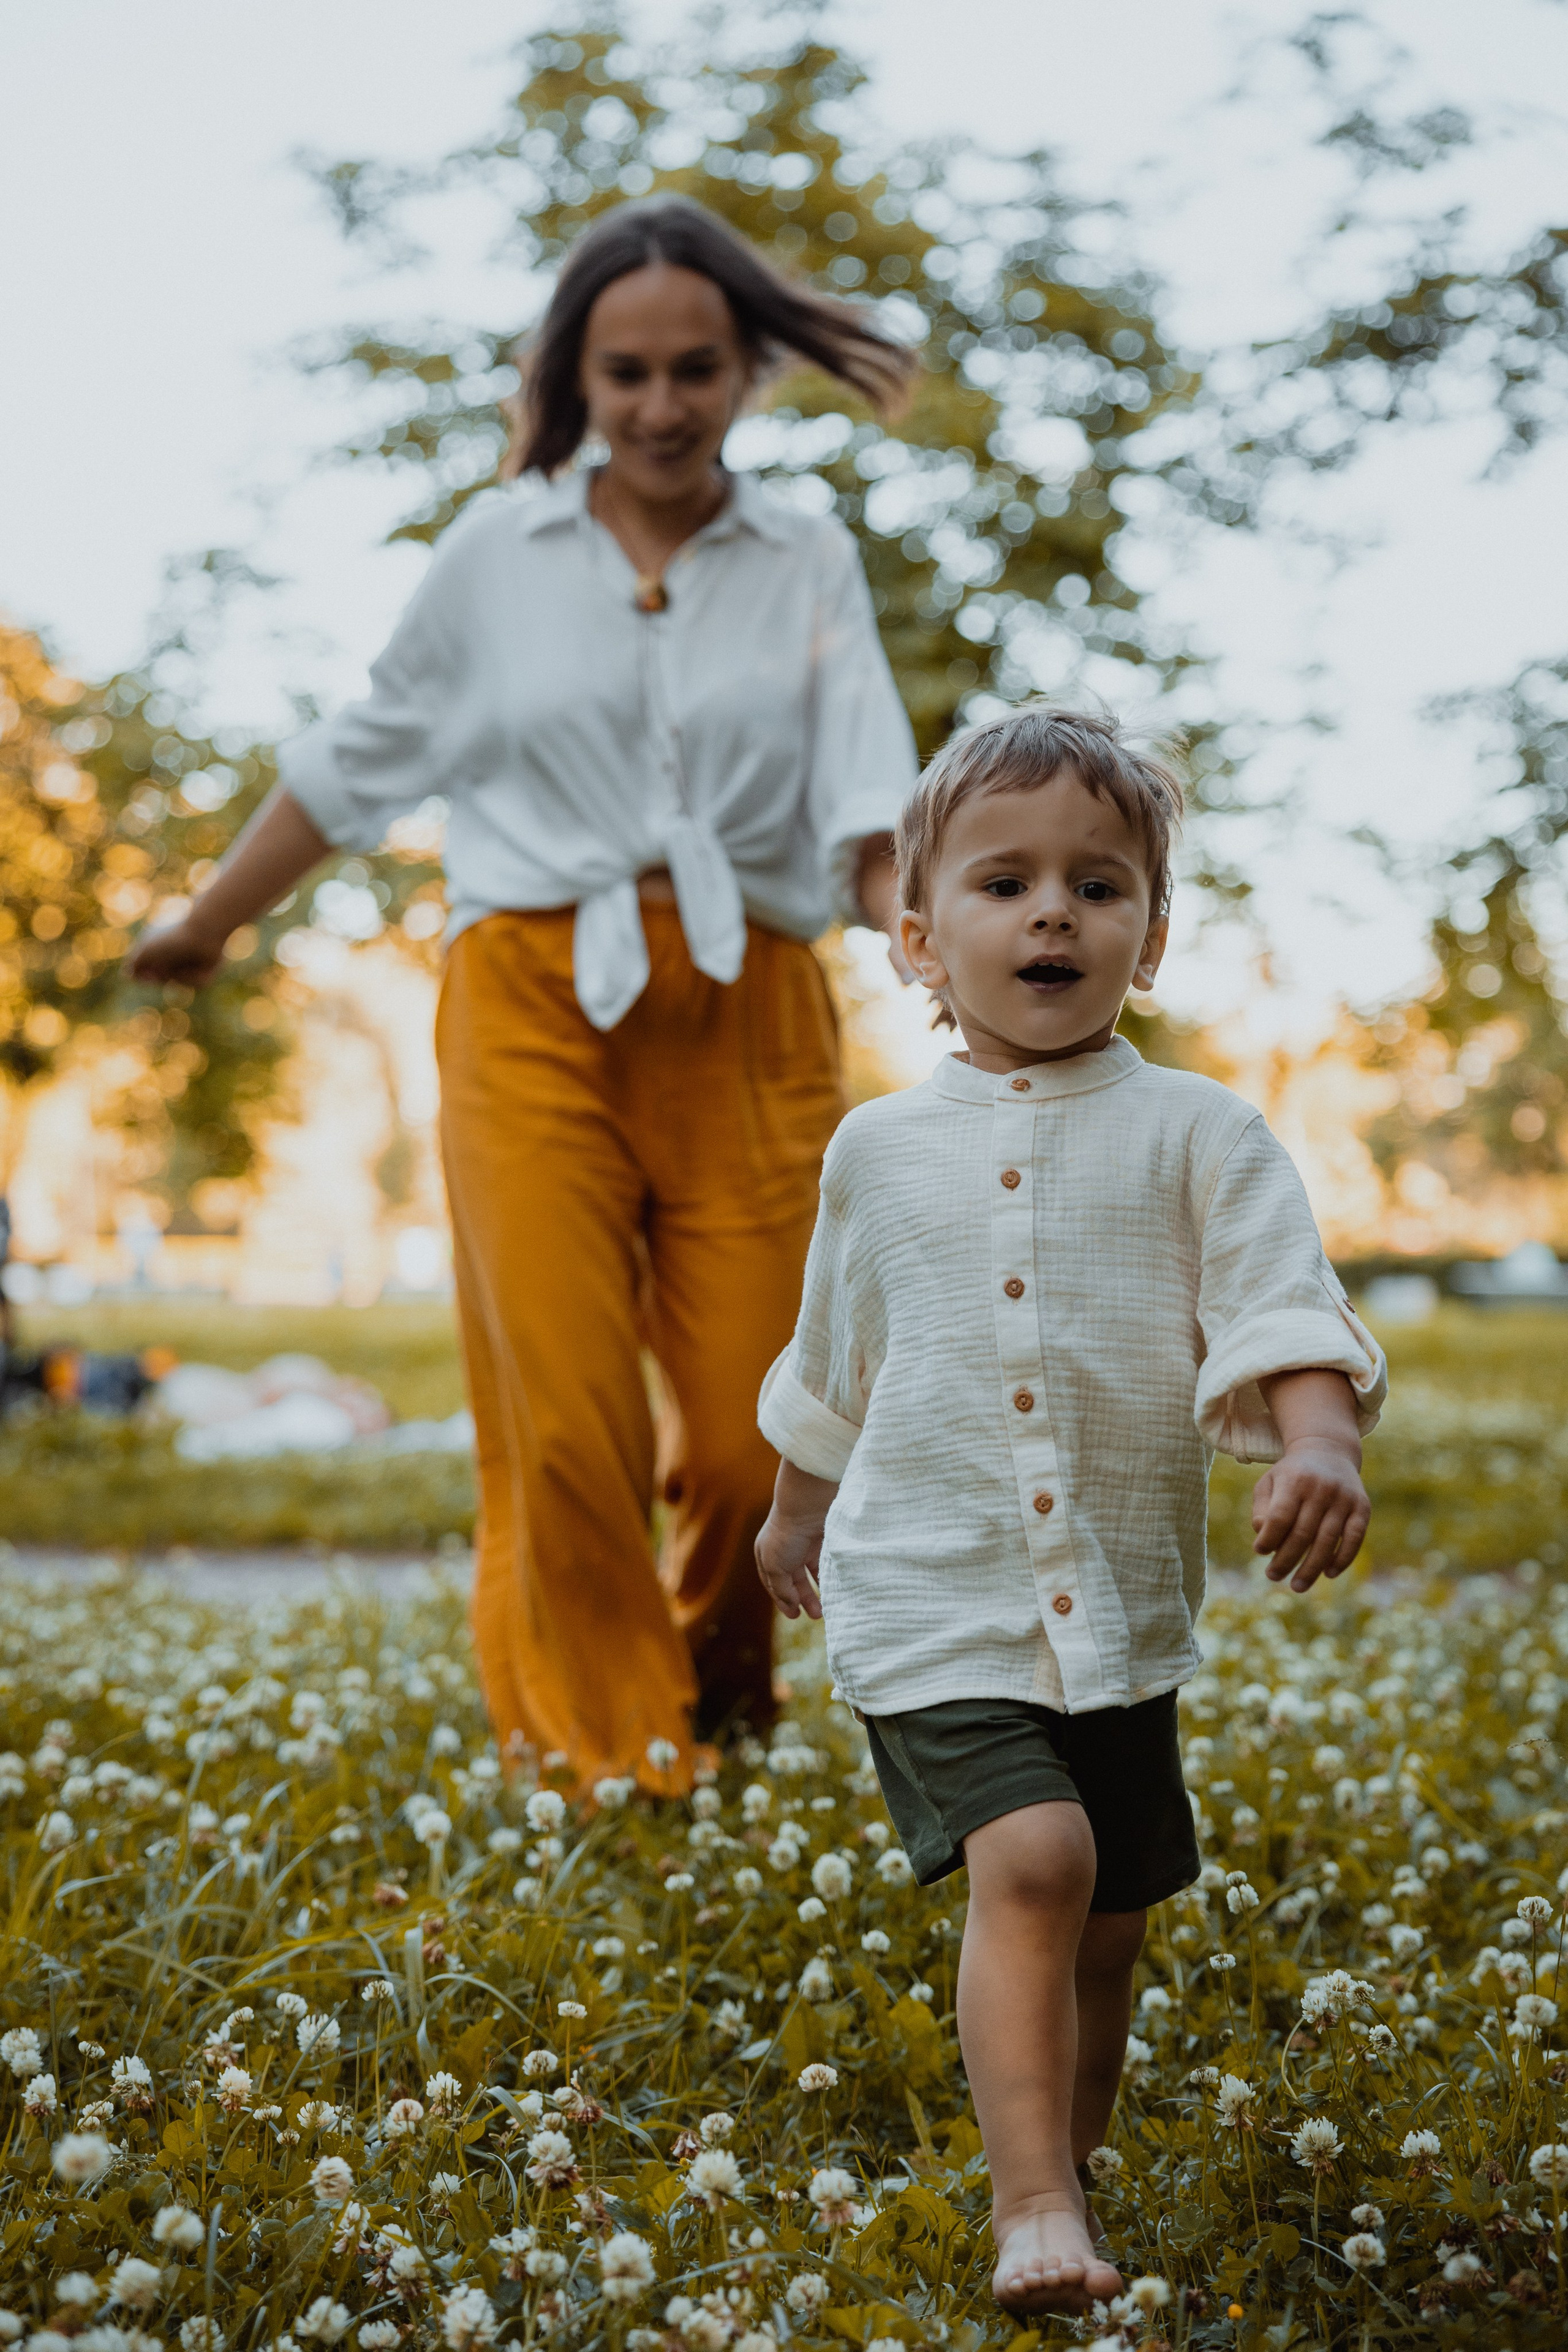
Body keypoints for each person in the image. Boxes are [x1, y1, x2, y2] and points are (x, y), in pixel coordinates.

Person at [126, 194, 920, 1789]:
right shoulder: (500, 550)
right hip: (531, 1000)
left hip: (753, 1006)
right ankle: (610, 1760)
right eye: (624, 374)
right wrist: (210, 917)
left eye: (696, 369)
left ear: (750, 369)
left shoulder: (806, 554)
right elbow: (358, 755)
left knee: (749, 1428)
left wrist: (943, 955)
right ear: (576, 379)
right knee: (564, 1415)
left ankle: (723, 1703)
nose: (661, 408)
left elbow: (870, 815)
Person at [752, 706, 1387, 2317]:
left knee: (1111, 1913)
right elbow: (836, 1353)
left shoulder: (1201, 1135)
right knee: (1033, 1860)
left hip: (1113, 1601)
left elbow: (1277, 1306)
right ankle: (1029, 2202)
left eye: (1099, 887)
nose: (1053, 913)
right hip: (929, 1593)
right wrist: (793, 1511)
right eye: (1005, 882)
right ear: (917, 938)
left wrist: (1319, 1441)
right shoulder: (877, 1152)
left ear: (1151, 939)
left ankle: (1071, 2166)